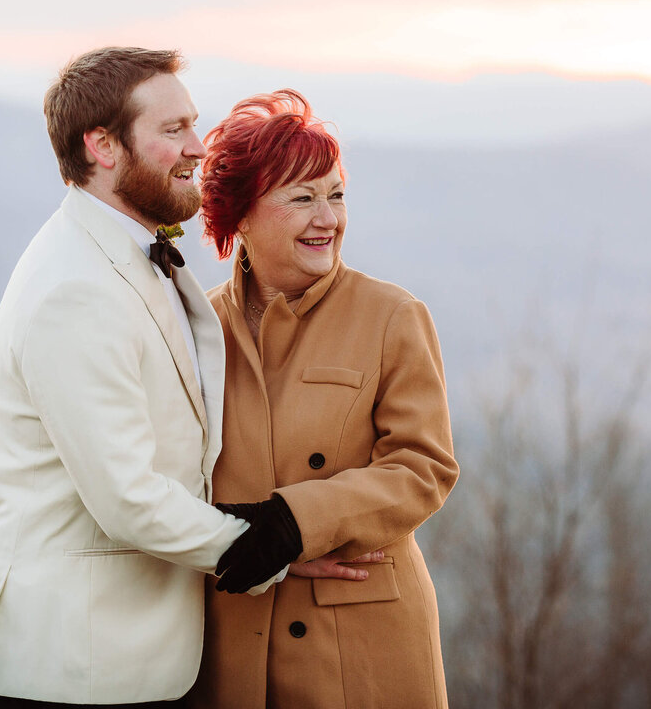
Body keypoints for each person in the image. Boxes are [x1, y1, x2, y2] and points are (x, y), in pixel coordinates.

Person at [0, 48, 300, 708]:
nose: (199, 146)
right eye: (173, 130)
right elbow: (126, 498)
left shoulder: (130, 253)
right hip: (76, 667)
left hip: (132, 655)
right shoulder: (75, 286)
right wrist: (268, 548)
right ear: (103, 147)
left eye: (193, 124)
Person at [187, 89, 459, 708]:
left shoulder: (392, 316)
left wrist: (294, 526)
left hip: (361, 648)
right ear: (242, 215)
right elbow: (155, 469)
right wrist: (243, 546)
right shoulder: (195, 326)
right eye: (302, 198)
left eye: (336, 195)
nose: (328, 219)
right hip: (233, 643)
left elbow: (424, 469)